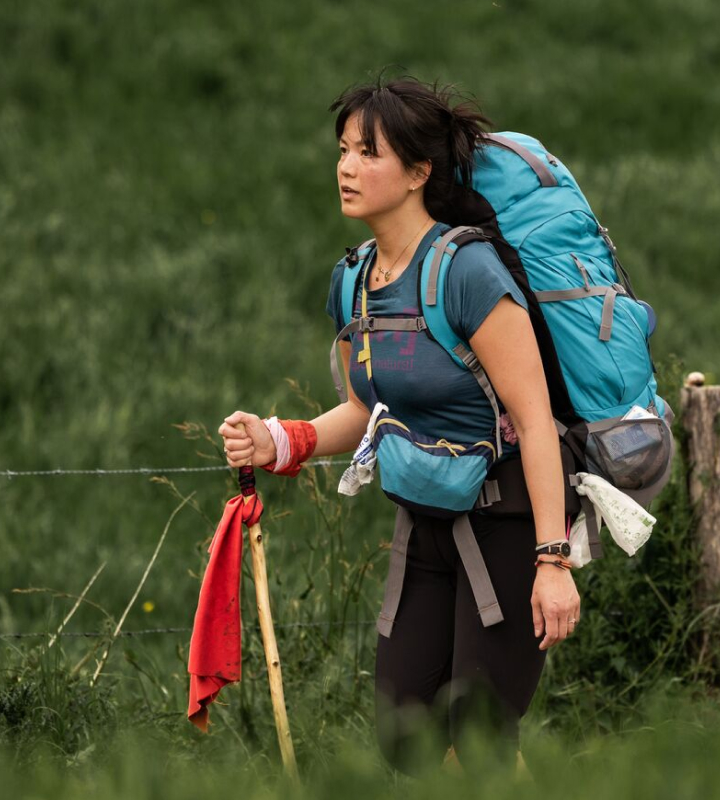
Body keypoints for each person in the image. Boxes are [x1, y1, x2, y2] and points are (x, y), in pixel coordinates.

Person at [218, 76, 579, 777]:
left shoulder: (469, 273)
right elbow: (368, 407)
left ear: (419, 172)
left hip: (506, 522)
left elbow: (536, 425)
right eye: (344, 149)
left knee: (479, 734)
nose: (347, 167)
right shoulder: (354, 281)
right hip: (424, 525)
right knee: (405, 735)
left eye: (369, 153)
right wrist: (280, 439)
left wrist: (553, 561)